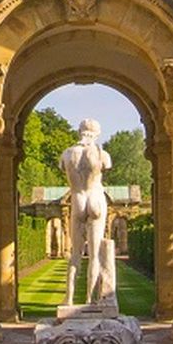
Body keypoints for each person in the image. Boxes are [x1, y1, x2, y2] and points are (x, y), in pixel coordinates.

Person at [58, 118, 115, 308]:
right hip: (96, 198)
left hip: (78, 198)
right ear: (97, 133)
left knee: (75, 255)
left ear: (79, 131)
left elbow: (63, 168)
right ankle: (91, 300)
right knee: (95, 255)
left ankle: (69, 298)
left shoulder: (66, 154)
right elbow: (106, 166)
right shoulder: (102, 154)